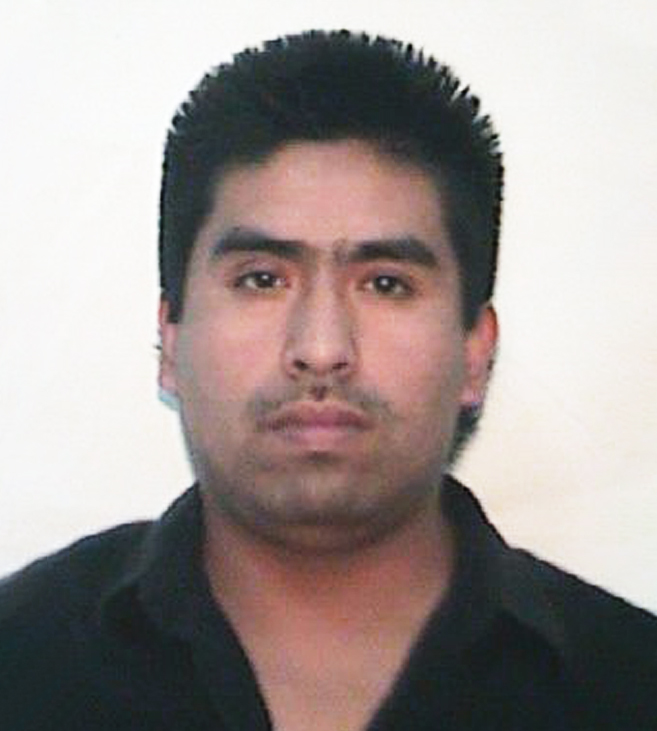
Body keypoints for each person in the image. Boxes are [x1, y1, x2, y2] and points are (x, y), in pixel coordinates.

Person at [1, 29, 655, 731]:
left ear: (474, 351)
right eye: (261, 279)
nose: (320, 349)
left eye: (385, 283)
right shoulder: (22, 662)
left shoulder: (628, 686)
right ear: (171, 339)